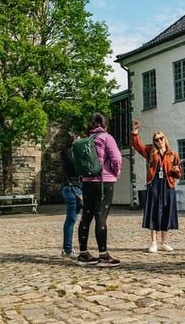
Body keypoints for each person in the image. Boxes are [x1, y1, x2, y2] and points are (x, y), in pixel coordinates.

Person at [77, 111, 123, 267]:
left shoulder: (86, 140)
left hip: (86, 182)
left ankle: (83, 254)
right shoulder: (107, 138)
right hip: (104, 181)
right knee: (101, 216)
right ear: (105, 125)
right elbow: (116, 158)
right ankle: (103, 256)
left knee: (86, 216)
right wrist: (115, 173)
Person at [131, 120, 182, 253]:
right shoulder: (151, 152)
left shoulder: (172, 154)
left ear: (165, 139)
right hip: (154, 185)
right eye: (156, 139)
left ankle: (164, 242)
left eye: (161, 138)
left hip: (168, 185)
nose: (159, 141)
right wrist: (135, 132)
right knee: (154, 211)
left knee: (166, 212)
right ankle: (153, 242)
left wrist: (176, 171)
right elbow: (138, 146)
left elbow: (178, 174)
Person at [60, 133, 83, 258]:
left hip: (70, 187)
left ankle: (68, 247)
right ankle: (67, 248)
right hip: (73, 187)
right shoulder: (71, 154)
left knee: (72, 218)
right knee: (72, 218)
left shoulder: (66, 153)